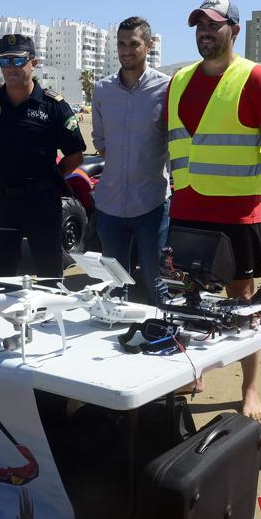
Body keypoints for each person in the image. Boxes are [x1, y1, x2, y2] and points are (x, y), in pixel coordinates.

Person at [164, 0, 261, 419]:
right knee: (188, 297)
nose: (205, 31)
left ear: (233, 31)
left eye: (214, 25)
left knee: (243, 301)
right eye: (199, 24)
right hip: (187, 208)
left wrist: (252, 190)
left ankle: (249, 387)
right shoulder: (179, 80)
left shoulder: (256, 79)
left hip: (236, 214)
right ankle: (194, 371)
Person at [0, 34, 86, 277]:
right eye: (5, 61)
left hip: (42, 201)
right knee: (1, 272)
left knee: (49, 271)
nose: (11, 67)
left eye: (18, 60)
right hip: (2, 201)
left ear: (33, 62)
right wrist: (3, 169)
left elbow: (75, 155)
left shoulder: (53, 105)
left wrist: (48, 176)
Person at [91, 16, 171, 304]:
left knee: (156, 284)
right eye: (121, 44)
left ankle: (161, 342)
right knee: (114, 287)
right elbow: (100, 142)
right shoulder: (102, 90)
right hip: (110, 206)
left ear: (148, 46)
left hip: (152, 205)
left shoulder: (167, 88)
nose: (126, 50)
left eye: (133, 44)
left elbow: (175, 141)